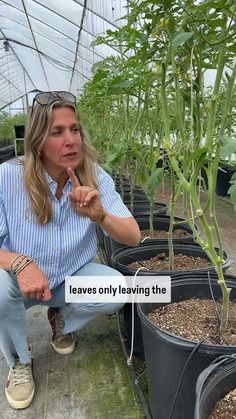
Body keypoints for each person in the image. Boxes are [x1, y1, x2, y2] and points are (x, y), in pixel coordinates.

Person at [0, 91, 141, 410]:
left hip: (67, 280)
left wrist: (100, 216)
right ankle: (20, 361)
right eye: (57, 132)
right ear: (38, 141)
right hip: (20, 285)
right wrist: (20, 263)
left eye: (75, 129)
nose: (71, 140)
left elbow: (133, 235)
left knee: (117, 289)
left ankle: (60, 318)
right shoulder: (8, 179)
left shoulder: (94, 176)